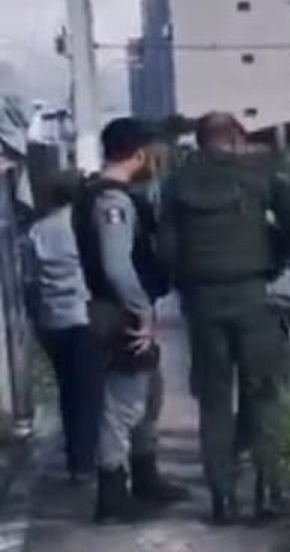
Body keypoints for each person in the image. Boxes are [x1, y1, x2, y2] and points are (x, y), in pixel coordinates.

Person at [158, 112, 290, 524]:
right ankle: (268, 495)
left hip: (202, 303)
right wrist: (278, 251)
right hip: (252, 296)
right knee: (262, 395)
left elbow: (167, 250)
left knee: (213, 402)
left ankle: (222, 500)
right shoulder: (258, 174)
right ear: (237, 140)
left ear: (201, 140)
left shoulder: (176, 184)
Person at [71, 117, 189, 524]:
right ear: (138, 153)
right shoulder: (112, 202)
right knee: (123, 405)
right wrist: (140, 312)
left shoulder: (104, 194)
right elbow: (117, 267)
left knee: (147, 396)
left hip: (119, 308)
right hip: (120, 311)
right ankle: (112, 493)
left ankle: (144, 476)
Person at [25, 170, 101, 483]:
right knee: (89, 393)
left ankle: (75, 456)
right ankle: (86, 461)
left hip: (51, 321)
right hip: (83, 316)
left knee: (68, 390)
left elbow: (29, 281)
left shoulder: (37, 231)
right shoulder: (83, 225)